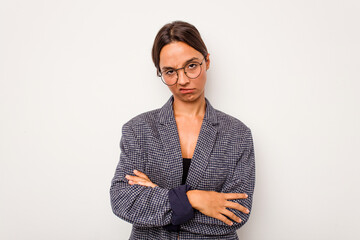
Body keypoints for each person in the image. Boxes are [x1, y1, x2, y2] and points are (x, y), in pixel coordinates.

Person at [110, 21, 255, 240]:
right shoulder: (138, 130)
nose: (183, 80)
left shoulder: (237, 134)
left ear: (206, 61)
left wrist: (159, 198)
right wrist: (196, 199)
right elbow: (123, 200)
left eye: (191, 66)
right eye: (170, 71)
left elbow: (236, 213)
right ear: (160, 72)